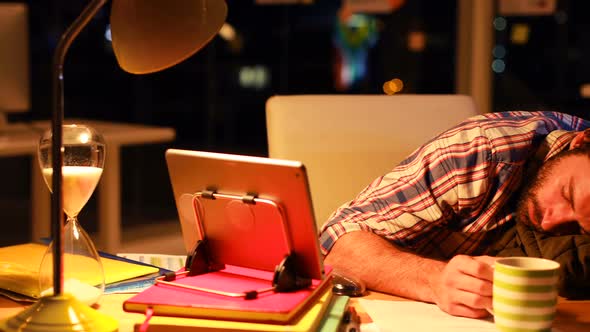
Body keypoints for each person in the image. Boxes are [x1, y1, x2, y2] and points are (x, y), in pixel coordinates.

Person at [318, 110, 590, 318]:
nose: (551, 221)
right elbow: (335, 244)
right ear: (581, 141)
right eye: (567, 194)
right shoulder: (484, 149)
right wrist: (434, 279)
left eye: (578, 227)